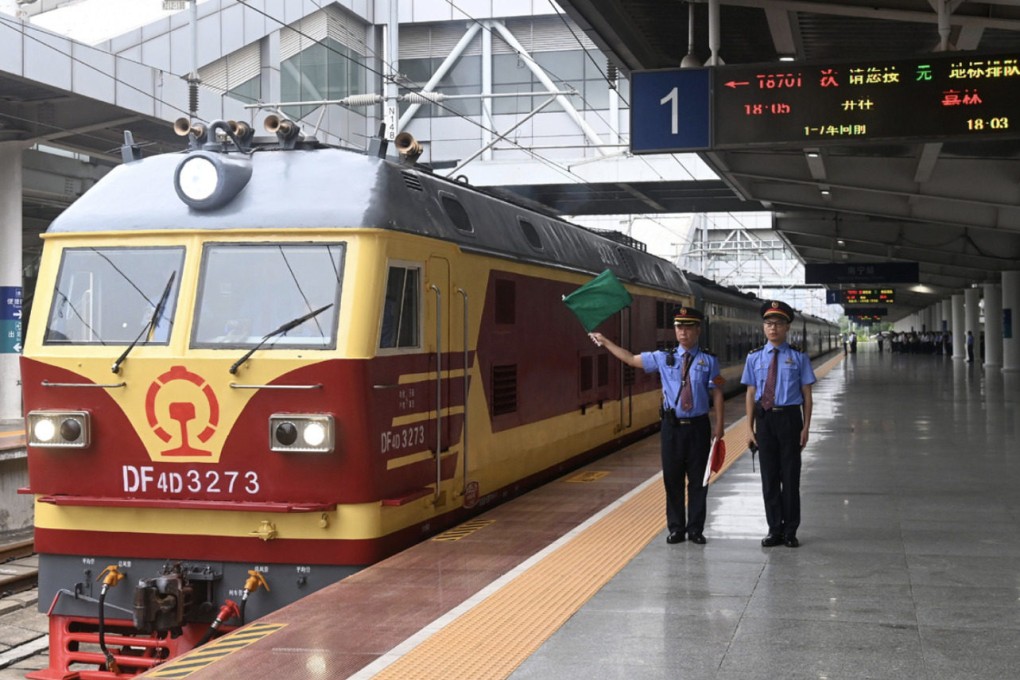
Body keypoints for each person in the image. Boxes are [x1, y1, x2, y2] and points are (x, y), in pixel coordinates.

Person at [590, 306, 724, 545]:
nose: (683, 332)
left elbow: (717, 393)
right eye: (679, 327)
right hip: (672, 428)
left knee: (698, 480)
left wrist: (719, 426)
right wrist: (606, 342)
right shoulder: (663, 358)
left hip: (698, 427)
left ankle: (695, 529)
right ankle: (676, 528)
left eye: (688, 328)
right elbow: (631, 359)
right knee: (672, 479)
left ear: (698, 330)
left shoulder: (709, 360)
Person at [741, 300, 816, 548]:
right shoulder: (754, 357)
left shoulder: (798, 356)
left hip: (790, 419)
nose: (773, 328)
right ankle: (774, 529)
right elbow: (751, 393)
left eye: (778, 323)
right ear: (763, 327)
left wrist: (806, 427)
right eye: (768, 323)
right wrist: (749, 428)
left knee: (790, 476)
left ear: (787, 327)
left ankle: (790, 530)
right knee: (769, 477)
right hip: (765, 420)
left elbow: (807, 395)